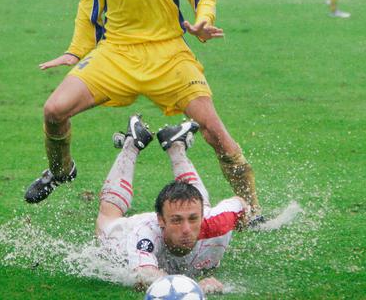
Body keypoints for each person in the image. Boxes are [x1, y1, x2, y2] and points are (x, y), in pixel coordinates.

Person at [24, 0, 261, 221]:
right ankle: (61, 171)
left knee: (217, 134)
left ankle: (254, 210)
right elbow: (90, 2)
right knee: (53, 111)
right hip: (116, 54)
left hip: (168, 54)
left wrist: (203, 21)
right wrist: (76, 50)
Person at [96, 115, 250, 294]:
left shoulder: (218, 220)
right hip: (126, 234)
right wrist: (194, 288)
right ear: (161, 220)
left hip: (197, 213)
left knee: (196, 202)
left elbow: (240, 204)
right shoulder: (144, 235)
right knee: (107, 219)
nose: (186, 229)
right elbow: (144, 277)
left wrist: (245, 219)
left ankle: (176, 145)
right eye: (177, 221)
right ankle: (132, 144)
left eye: (193, 219)